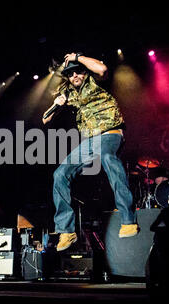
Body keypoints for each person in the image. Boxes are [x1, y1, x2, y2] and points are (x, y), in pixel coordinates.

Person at [42, 52, 138, 251]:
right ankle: (66, 231)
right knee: (60, 173)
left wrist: (78, 57)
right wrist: (56, 105)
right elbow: (45, 119)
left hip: (110, 133)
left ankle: (128, 220)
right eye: (71, 74)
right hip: (90, 140)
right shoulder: (69, 93)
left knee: (107, 157)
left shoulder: (95, 81)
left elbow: (102, 68)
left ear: (84, 73)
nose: (75, 76)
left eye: (78, 73)